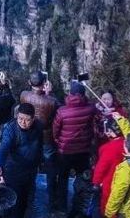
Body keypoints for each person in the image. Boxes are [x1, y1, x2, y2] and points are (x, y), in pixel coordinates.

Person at [51, 81, 97, 215]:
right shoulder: (90, 109)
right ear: (83, 95)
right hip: (83, 151)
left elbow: (55, 130)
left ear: (69, 94)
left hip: (65, 151)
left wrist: (58, 141)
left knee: (63, 179)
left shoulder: (62, 111)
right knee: (83, 179)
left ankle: (62, 207)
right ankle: (79, 207)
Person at [18, 71, 58, 214]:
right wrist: (49, 93)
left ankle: (29, 200)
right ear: (44, 83)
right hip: (46, 138)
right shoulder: (52, 101)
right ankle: (52, 203)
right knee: (50, 170)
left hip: (29, 136)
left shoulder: (23, 95)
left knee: (30, 167)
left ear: (30, 82)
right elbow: (56, 114)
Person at [0, 103, 43, 218]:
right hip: (14, 172)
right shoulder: (11, 130)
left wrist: (40, 160)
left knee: (26, 202)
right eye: (20, 118)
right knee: (13, 203)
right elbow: (3, 149)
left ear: (33, 119)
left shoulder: (38, 126)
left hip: (31, 171)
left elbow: (40, 145)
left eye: (27, 120)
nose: (23, 122)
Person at [92, 116, 130, 217]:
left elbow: (100, 168)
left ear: (111, 131)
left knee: (109, 206)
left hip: (111, 182)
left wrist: (96, 183)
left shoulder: (108, 148)